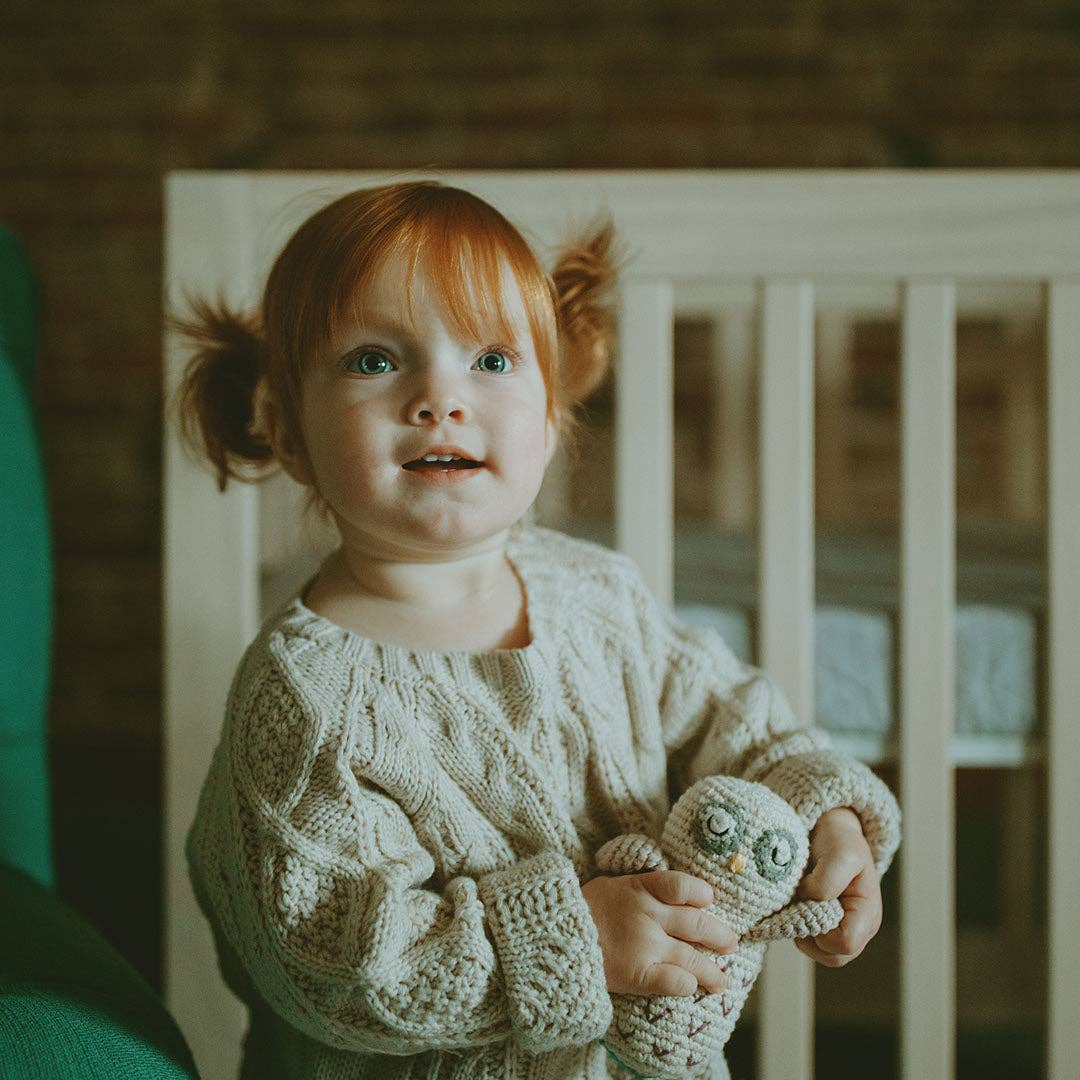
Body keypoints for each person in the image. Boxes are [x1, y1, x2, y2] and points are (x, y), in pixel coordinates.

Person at [173, 179, 901, 1080]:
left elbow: (729, 718)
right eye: (373, 360)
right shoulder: (306, 698)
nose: (441, 397)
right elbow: (330, 960)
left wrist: (822, 810)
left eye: (490, 360)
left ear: (550, 418)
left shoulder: (598, 595)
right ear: (286, 430)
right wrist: (575, 939)